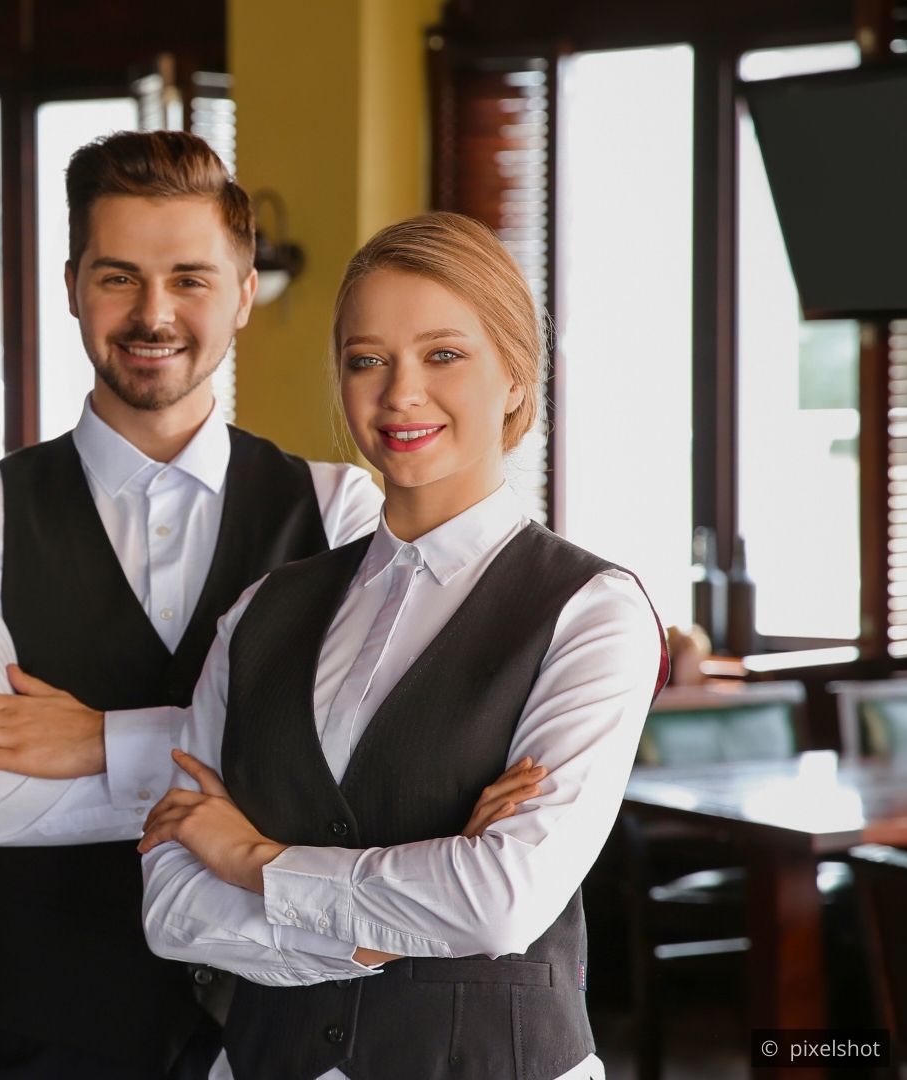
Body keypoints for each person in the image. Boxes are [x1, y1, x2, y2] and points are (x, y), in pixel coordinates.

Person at [0, 130, 384, 1079]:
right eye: (119, 277)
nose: (154, 313)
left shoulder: (341, 510)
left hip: (290, 1047)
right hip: (54, 1049)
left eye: (190, 279)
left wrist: (98, 742)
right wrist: (253, 775)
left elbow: (361, 773)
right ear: (73, 286)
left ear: (243, 294)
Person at [137, 210, 667, 1079]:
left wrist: (254, 860)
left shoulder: (592, 613)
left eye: (443, 354)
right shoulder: (261, 612)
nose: (400, 394)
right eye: (367, 360)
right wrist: (388, 930)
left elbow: (500, 902)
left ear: (515, 377)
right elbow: (171, 905)